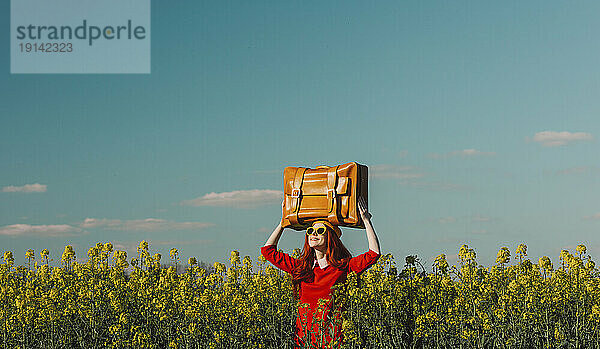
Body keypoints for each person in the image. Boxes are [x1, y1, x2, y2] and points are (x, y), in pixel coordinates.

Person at [261, 197, 381, 348]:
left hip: (333, 339)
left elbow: (374, 253)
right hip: (304, 339)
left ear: (331, 237)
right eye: (310, 230)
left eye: (320, 231)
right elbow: (268, 251)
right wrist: (283, 223)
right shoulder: (301, 268)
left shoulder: (343, 267)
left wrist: (366, 220)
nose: (313, 234)